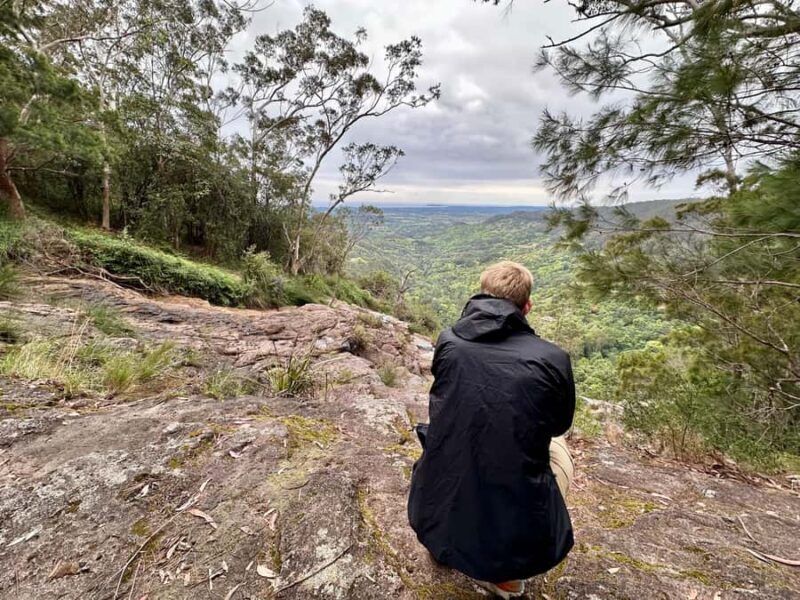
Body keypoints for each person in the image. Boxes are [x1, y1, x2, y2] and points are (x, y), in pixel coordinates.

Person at [408, 261, 576, 599]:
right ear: (526, 307)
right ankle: (505, 578)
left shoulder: (449, 341)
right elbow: (559, 424)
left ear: (482, 294)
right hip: (509, 496)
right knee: (558, 450)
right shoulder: (552, 358)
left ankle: (443, 542)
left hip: (438, 494)